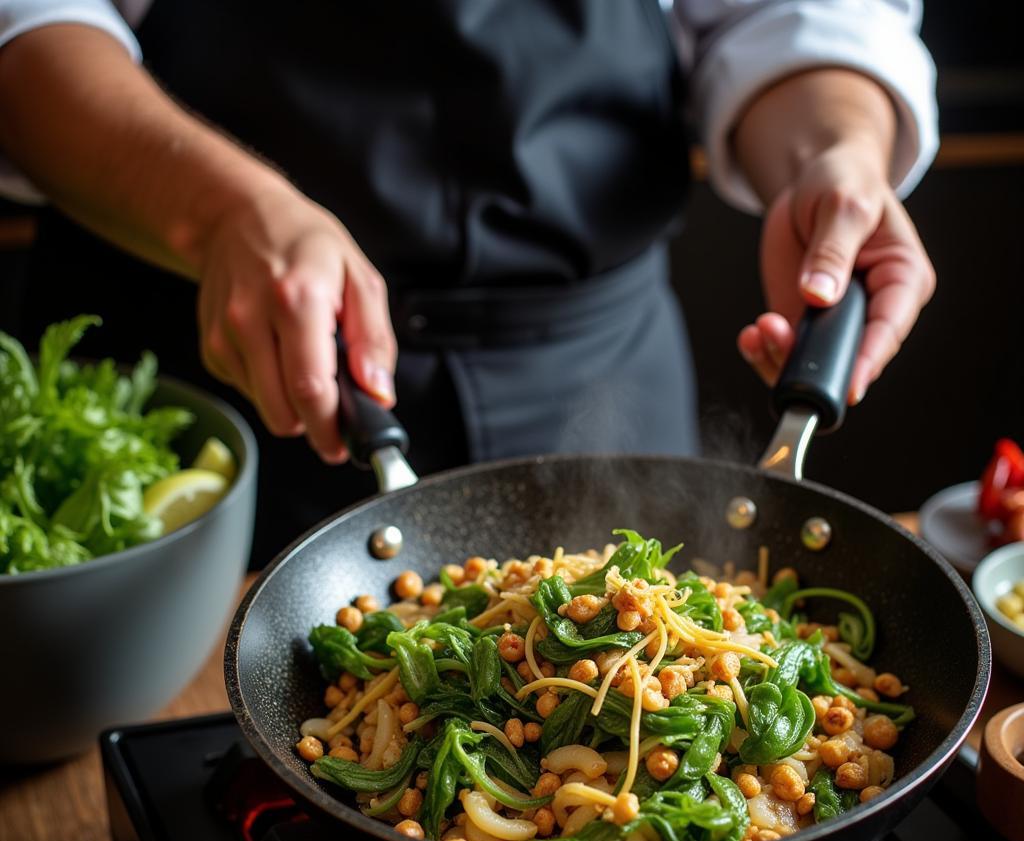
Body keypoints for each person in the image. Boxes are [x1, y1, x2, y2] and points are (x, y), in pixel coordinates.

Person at [0, 1, 937, 565]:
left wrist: (835, 150)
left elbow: (782, 11)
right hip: (227, 347)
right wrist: (221, 213)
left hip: (599, 359)